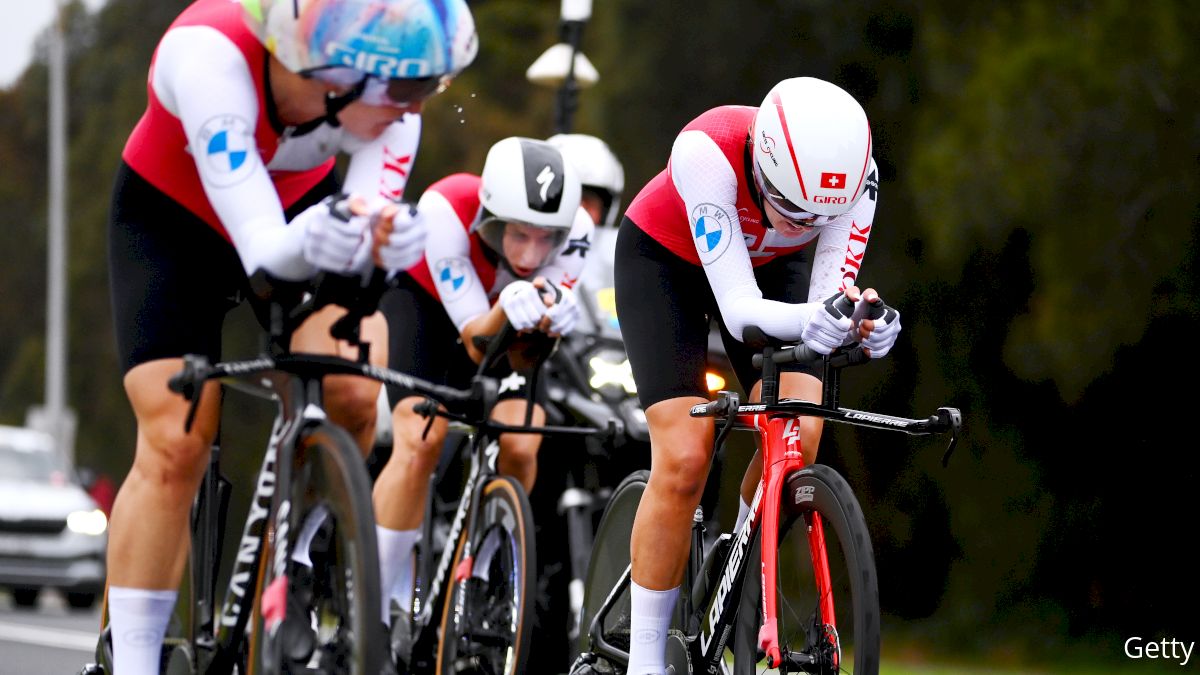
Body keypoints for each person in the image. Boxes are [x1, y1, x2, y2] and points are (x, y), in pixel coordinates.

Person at [104, 0, 476, 672]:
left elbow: (363, 234)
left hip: (298, 204)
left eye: (430, 86)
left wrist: (386, 244)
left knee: (355, 388)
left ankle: (299, 561)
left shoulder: (386, 112)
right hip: (173, 219)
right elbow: (266, 252)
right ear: (338, 71)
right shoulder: (210, 59)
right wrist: (319, 239)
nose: (415, 107)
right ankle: (133, 657)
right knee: (177, 437)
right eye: (409, 85)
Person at [592, 77, 901, 674]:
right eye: (787, 208)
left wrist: (864, 324)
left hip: (772, 271)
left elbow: (829, 297)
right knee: (685, 456)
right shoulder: (706, 152)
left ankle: (738, 558)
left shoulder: (856, 179)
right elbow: (738, 310)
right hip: (667, 264)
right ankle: (646, 661)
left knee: (801, 433)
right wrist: (820, 318)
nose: (798, 223)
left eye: (814, 219)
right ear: (761, 165)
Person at [373, 136, 593, 631]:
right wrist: (505, 305)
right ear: (488, 218)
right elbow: (475, 344)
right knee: (418, 443)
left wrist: (554, 315)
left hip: (504, 324)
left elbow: (521, 352)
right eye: (518, 234)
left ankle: (489, 575)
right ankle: (378, 600)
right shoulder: (446, 209)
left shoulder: (578, 229)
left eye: (546, 239)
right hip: (427, 310)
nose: (532, 253)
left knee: (521, 442)